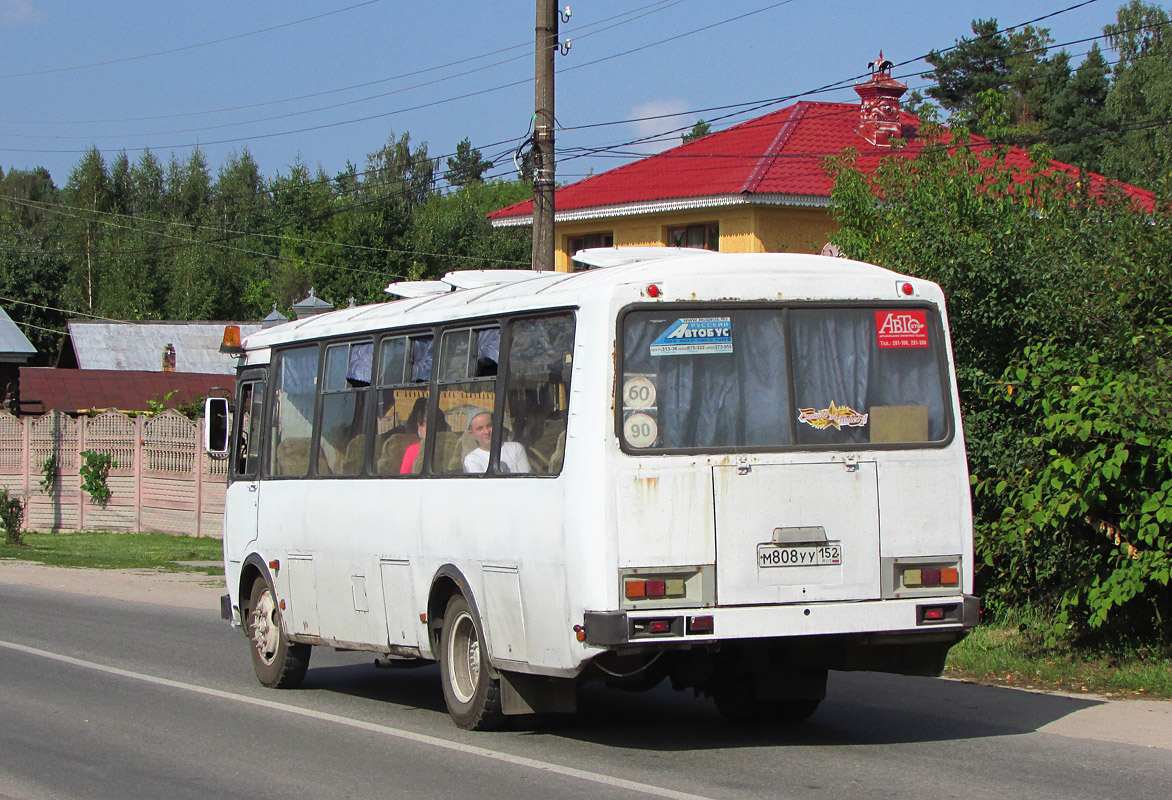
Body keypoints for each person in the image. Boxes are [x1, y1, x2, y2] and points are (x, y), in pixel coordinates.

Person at [463, 410, 530, 474]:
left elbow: (527, 480)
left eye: (489, 426)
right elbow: (482, 484)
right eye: (480, 428)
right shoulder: (472, 459)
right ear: (471, 432)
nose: (486, 432)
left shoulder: (516, 448)